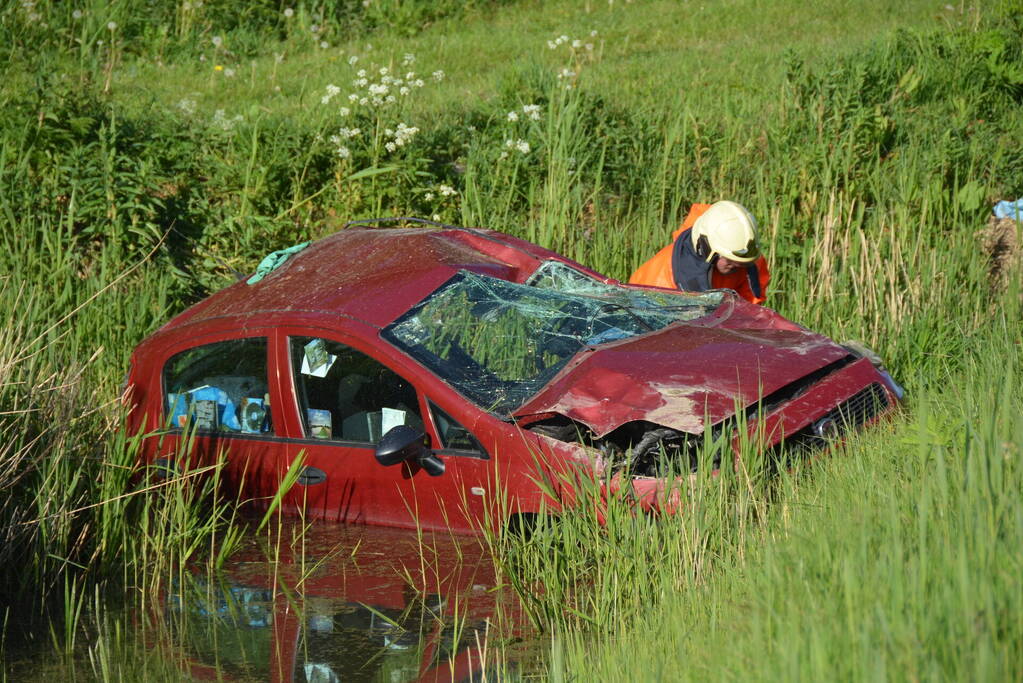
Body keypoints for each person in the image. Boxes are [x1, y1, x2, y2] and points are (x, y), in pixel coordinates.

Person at [629, 200, 770, 305]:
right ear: (706, 248)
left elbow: (750, 309)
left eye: (742, 262)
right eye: (729, 260)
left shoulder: (744, 255)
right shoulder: (658, 282)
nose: (737, 265)